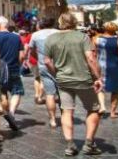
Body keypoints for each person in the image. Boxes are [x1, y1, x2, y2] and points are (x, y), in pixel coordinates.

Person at [44, 13, 103, 156]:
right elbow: (90, 58)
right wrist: (98, 77)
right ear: (75, 22)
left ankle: (70, 145)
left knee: (67, 111)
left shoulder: (51, 39)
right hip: (84, 79)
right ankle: (89, 144)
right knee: (93, 110)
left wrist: (56, 74)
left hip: (63, 80)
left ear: (60, 22)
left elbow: (47, 61)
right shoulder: (82, 37)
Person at [0, 16, 24, 131]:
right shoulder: (16, 37)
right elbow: (22, 56)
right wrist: (19, 64)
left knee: (2, 93)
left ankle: (6, 112)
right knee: (17, 91)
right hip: (13, 67)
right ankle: (12, 113)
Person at [28, 17, 60, 128]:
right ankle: (66, 115)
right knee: (63, 92)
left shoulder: (36, 35)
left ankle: (52, 119)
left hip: (44, 65)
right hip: (60, 66)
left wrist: (39, 58)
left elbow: (31, 51)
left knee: (50, 94)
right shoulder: (59, 33)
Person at [95, 22, 118, 118]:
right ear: (115, 30)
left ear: (104, 29)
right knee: (115, 90)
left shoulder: (97, 40)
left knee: (99, 87)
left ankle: (102, 106)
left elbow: (94, 54)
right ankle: (113, 112)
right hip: (114, 66)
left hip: (100, 66)